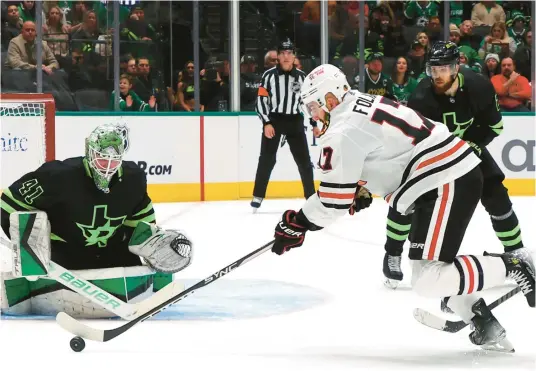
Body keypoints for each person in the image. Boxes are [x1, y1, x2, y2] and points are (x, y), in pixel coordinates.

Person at [269, 63, 534, 351]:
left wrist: (298, 222)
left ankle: (514, 264)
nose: (312, 115)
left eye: (313, 106)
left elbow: (332, 201)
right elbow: (387, 152)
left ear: (330, 99)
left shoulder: (341, 130)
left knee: (429, 278)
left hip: (444, 180)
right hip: (436, 180)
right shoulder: (360, 102)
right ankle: (483, 321)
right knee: (428, 271)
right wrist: (363, 187)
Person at [0, 123, 192, 318]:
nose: (107, 166)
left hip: (109, 250)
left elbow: (141, 217)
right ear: (89, 153)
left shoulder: (133, 179)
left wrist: (149, 241)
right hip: (63, 253)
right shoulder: (59, 176)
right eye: (101, 159)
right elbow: (8, 203)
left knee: (139, 265)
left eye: (114, 160)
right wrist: (28, 244)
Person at [382, 41, 528, 292]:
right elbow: (413, 141)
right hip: (433, 155)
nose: (438, 76)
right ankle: (392, 253)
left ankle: (517, 253)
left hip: (469, 149)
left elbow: (494, 127)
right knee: (405, 196)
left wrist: (473, 146)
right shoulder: (421, 97)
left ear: (456, 67)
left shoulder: (479, 87)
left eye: (444, 69)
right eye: (433, 70)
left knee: (496, 194)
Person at [251, 39, 319, 212]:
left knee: (304, 161)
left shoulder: (303, 77)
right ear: (278, 57)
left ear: (294, 56)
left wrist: (314, 123)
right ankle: (258, 195)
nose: (287, 56)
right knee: (266, 159)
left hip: (295, 120)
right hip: (274, 120)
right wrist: (266, 122)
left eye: (290, 53)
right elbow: (261, 101)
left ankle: (311, 197)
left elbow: (309, 103)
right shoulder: (268, 76)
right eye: (283, 53)